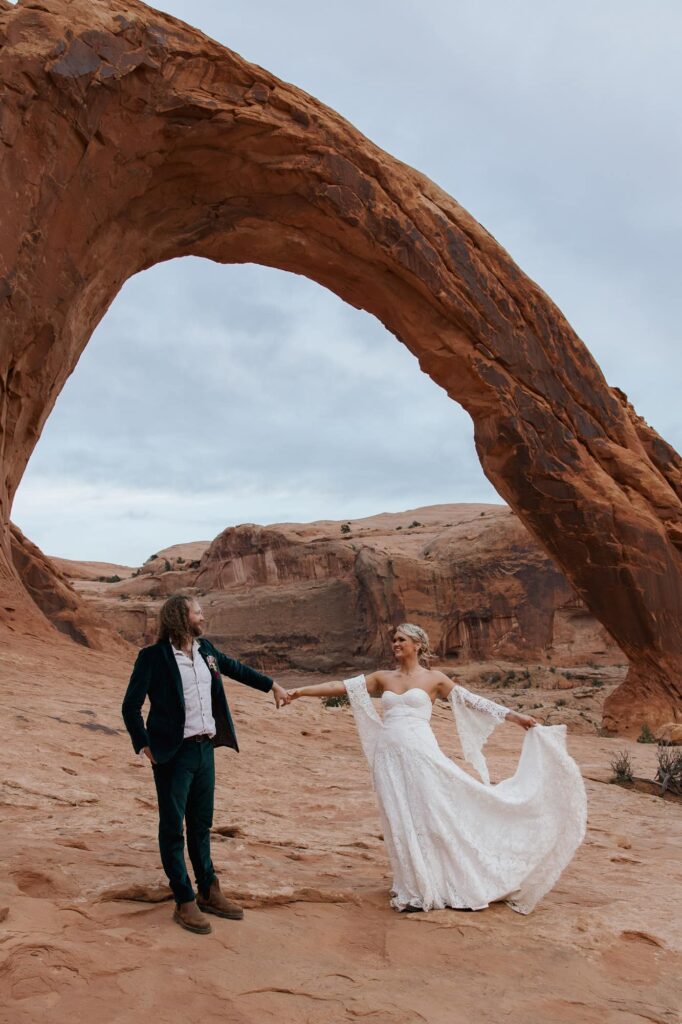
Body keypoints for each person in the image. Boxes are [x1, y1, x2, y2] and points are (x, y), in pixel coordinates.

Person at [286, 623, 587, 914]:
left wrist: (514, 716)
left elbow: (472, 701)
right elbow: (340, 687)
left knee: (434, 814)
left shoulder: (435, 679)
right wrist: (299, 692)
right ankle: (415, 885)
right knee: (400, 817)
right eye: (394, 639)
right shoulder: (382, 678)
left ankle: (450, 880)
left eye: (402, 639)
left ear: (418, 645)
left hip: (422, 755)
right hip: (389, 758)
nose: (396, 644)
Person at [122, 593, 287, 934]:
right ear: (181, 617)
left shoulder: (206, 651)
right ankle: (183, 899)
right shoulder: (153, 657)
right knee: (172, 827)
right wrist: (144, 745)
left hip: (204, 751)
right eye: (197, 611)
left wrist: (272, 686)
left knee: (201, 824)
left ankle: (209, 890)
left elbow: (237, 669)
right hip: (173, 754)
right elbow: (130, 706)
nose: (202, 616)